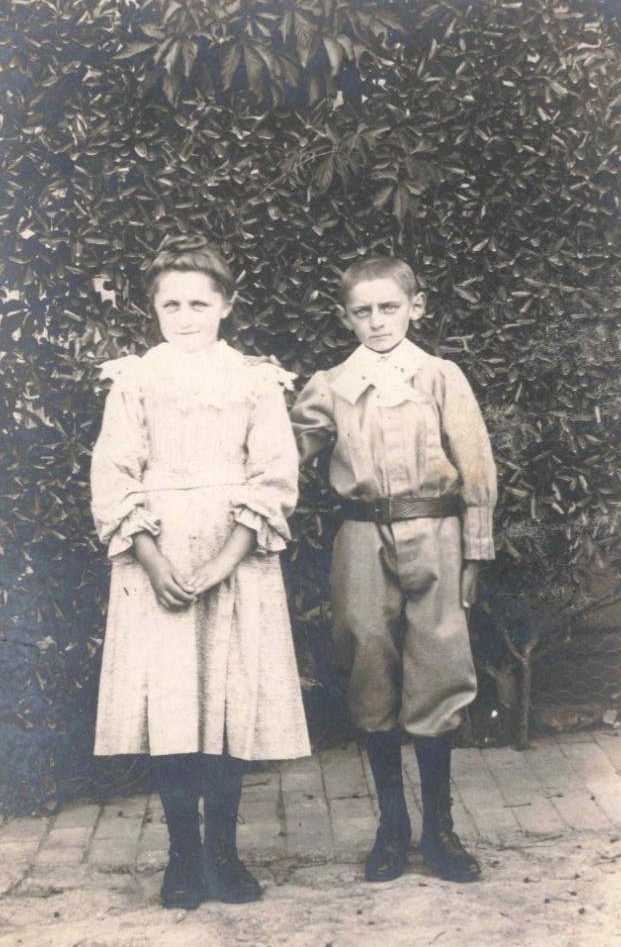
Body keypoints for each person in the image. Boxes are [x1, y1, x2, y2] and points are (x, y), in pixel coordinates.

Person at [91, 235, 310, 910]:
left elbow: (274, 474)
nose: (185, 316)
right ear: (153, 309)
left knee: (225, 702)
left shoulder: (254, 380)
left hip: (234, 560)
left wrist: (224, 561)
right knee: (173, 705)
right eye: (171, 304)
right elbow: (113, 475)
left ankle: (225, 853)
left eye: (199, 302)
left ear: (226, 304)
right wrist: (152, 560)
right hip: (154, 561)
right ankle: (181, 857)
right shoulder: (135, 380)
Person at [290, 256, 497, 884]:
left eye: (389, 307)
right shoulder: (330, 385)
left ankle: (440, 828)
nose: (376, 321)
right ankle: (391, 827)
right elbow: (281, 450)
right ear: (344, 317)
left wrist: (476, 550)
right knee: (368, 666)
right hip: (359, 536)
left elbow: (477, 463)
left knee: (438, 668)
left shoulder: (439, 376)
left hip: (435, 529)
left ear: (417, 306)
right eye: (362, 311)